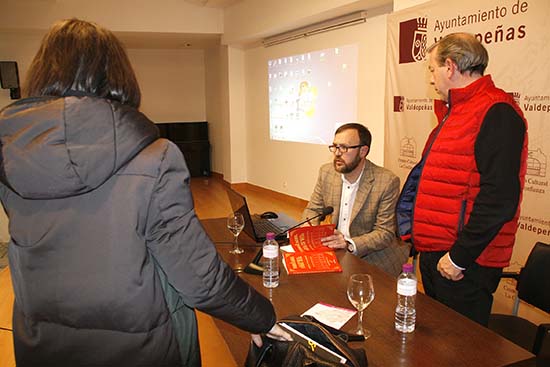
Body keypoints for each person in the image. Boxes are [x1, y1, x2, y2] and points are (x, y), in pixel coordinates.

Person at [0, 18, 289, 366]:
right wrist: (260, 317)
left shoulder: (12, 155)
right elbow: (199, 279)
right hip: (142, 348)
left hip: (42, 344)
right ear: (117, 75)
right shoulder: (156, 156)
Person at [396, 33, 528, 326]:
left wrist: (459, 257)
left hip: (464, 264)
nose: (431, 79)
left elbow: (499, 199)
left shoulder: (496, 111)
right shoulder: (456, 111)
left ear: (450, 67)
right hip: (437, 255)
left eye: (432, 69)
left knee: (460, 350)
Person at [302, 123, 409, 277]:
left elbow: (384, 233)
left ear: (363, 151)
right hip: (336, 251)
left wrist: (348, 244)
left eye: (344, 148)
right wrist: (309, 226)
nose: (337, 153)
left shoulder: (386, 181)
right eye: (335, 147)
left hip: (374, 258)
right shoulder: (327, 172)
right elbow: (313, 209)